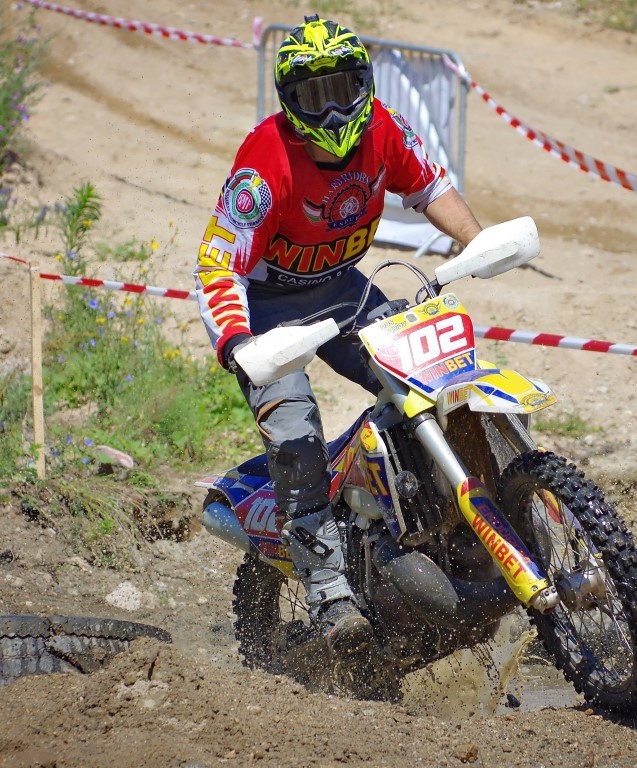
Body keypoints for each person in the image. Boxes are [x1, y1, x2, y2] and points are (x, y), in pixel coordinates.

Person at [194, 15, 484, 652]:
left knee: (432, 379)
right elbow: (217, 263)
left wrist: (475, 241)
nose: (331, 109)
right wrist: (239, 345)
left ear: (365, 83)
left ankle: (457, 520)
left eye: (342, 88)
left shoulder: (384, 128)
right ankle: (328, 590)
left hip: (342, 289)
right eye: (312, 94)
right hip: (268, 311)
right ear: (289, 102)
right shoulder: (264, 164)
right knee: (295, 432)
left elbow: (431, 185)